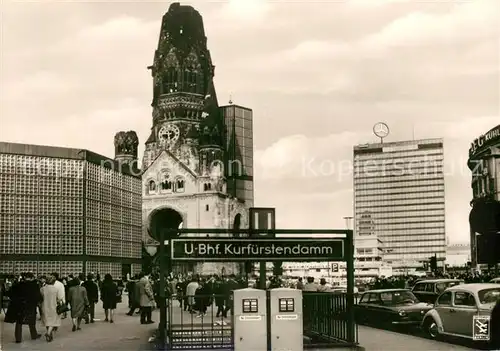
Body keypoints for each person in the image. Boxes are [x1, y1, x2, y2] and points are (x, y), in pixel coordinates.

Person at [4, 273, 42, 343]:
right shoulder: (34, 286)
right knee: (31, 321)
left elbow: (9, 293)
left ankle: (18, 338)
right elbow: (37, 296)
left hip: (19, 306)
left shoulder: (18, 285)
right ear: (31, 278)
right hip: (30, 306)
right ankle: (34, 335)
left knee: (19, 322)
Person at [40, 275, 65, 342]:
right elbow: (59, 298)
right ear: (53, 282)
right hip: (53, 306)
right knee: (53, 321)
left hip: (44, 306)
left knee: (47, 320)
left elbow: (41, 298)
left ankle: (49, 334)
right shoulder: (55, 289)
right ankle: (48, 333)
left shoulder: (42, 289)